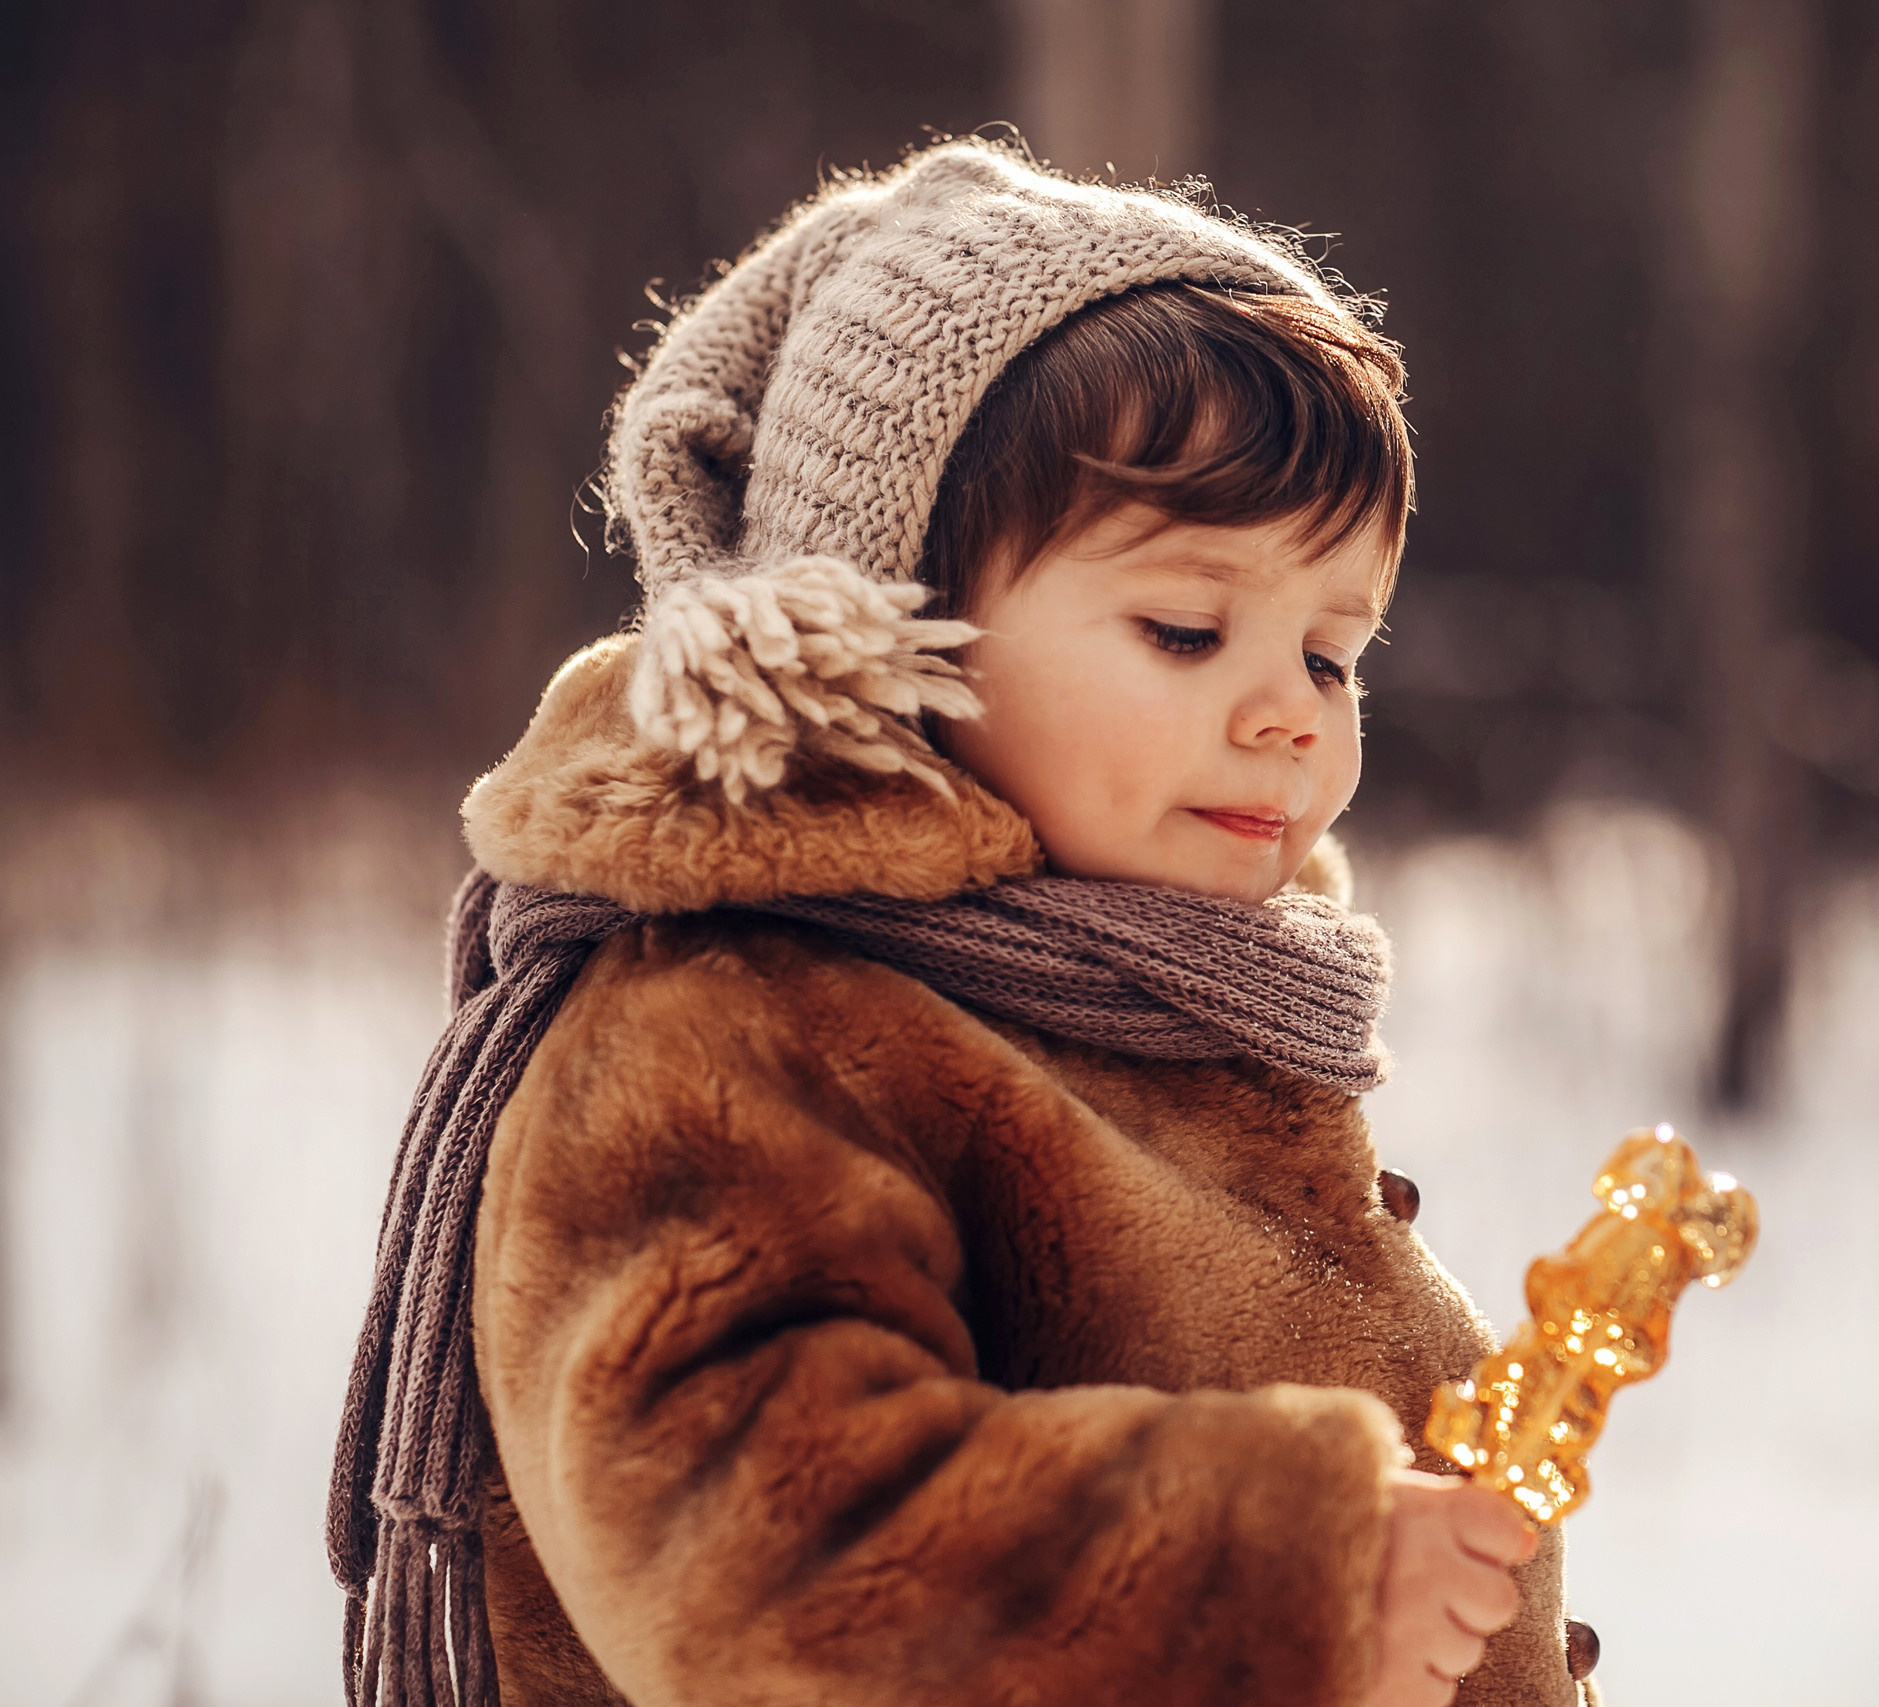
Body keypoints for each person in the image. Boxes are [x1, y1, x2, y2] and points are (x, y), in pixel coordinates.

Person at [330, 138, 1598, 1707]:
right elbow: (763, 1539)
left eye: (1333, 654)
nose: (1290, 714)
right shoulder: (729, 1022)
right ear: (890, 617)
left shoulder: (1146, 996)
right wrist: (1288, 1576)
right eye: (1190, 629)